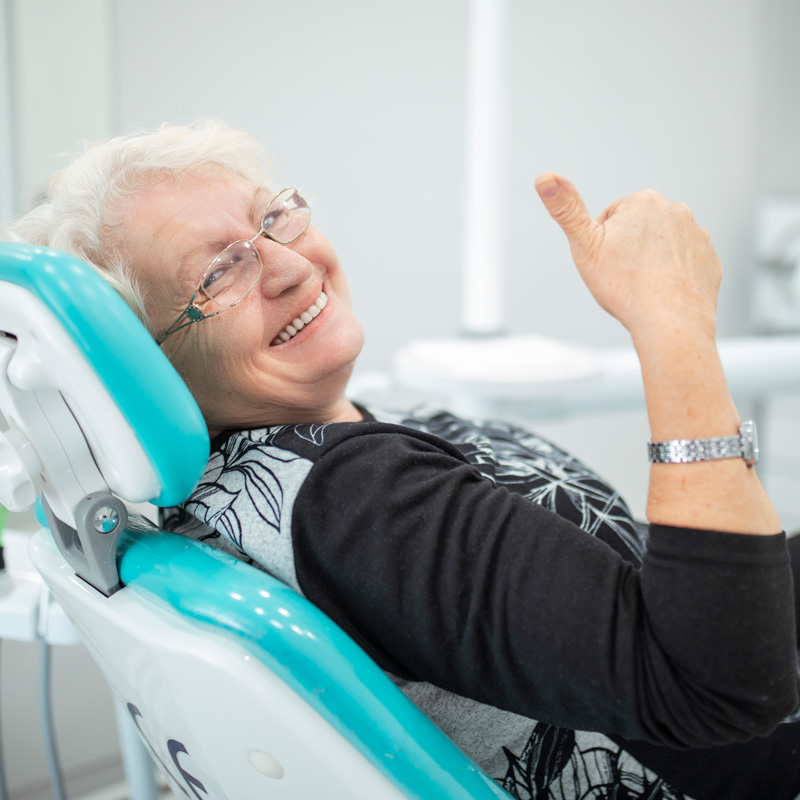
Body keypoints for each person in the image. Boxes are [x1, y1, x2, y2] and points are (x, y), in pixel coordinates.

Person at [4, 121, 800, 800]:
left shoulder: (264, 481)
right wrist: (674, 324)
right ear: (147, 367)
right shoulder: (356, 502)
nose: (288, 265)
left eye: (271, 219)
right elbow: (723, 681)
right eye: (216, 274)